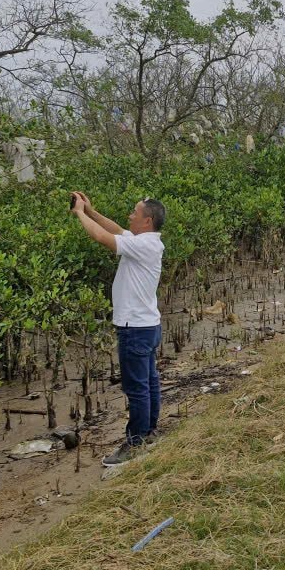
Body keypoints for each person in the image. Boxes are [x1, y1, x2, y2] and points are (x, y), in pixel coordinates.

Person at [70, 191, 166, 466]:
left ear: (146, 221)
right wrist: (90, 211)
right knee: (148, 383)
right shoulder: (146, 241)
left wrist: (78, 214)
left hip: (134, 328)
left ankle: (135, 442)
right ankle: (148, 433)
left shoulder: (143, 245)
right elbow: (115, 230)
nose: (130, 216)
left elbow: (102, 237)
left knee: (137, 388)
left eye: (134, 213)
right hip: (146, 325)